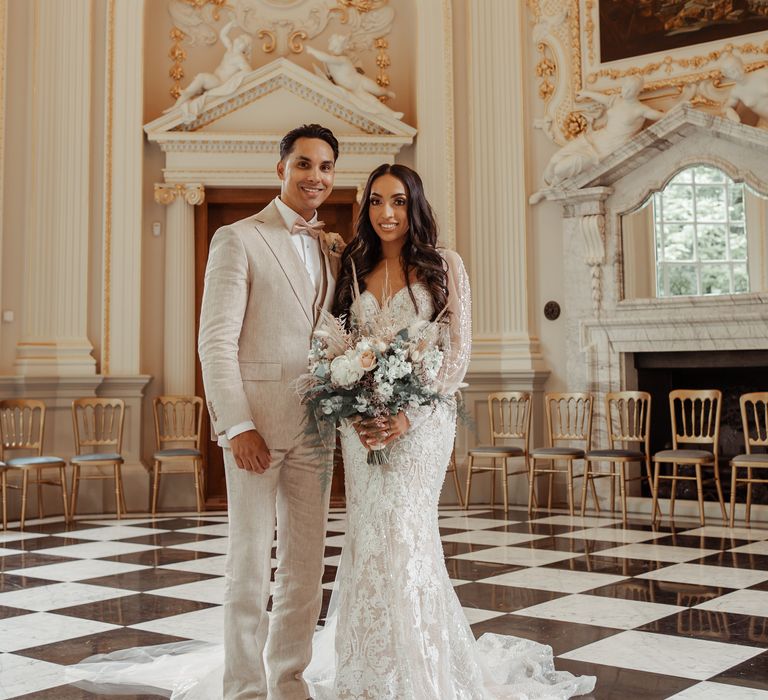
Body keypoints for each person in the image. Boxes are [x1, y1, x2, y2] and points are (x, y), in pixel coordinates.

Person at [67, 163, 595, 700]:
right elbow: (327, 345)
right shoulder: (351, 265)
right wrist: (355, 405)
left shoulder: (444, 266)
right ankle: (362, 671)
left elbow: (456, 357)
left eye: (398, 202)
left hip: (422, 427)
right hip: (358, 425)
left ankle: (422, 667)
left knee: (406, 538)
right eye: (375, 202)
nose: (386, 213)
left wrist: (409, 415)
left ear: (415, 206)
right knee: (365, 540)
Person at [198, 122, 340, 700]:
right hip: (255, 430)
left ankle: (289, 681)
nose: (315, 176)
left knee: (305, 571)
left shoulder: (332, 248)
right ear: (280, 168)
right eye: (304, 164)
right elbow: (215, 341)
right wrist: (237, 425)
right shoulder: (238, 238)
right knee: (250, 569)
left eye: (326, 167)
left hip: (316, 431)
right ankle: (243, 689)